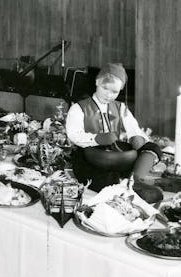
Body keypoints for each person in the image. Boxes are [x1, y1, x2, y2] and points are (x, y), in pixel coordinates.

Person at [65, 63, 163, 202]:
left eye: (114, 92)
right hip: (91, 155)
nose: (109, 95)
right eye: (105, 88)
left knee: (152, 148)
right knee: (105, 180)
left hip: (116, 155)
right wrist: (97, 138)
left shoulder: (120, 107)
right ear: (97, 82)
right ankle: (128, 185)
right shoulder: (79, 108)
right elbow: (74, 134)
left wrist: (137, 137)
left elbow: (133, 127)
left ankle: (136, 180)